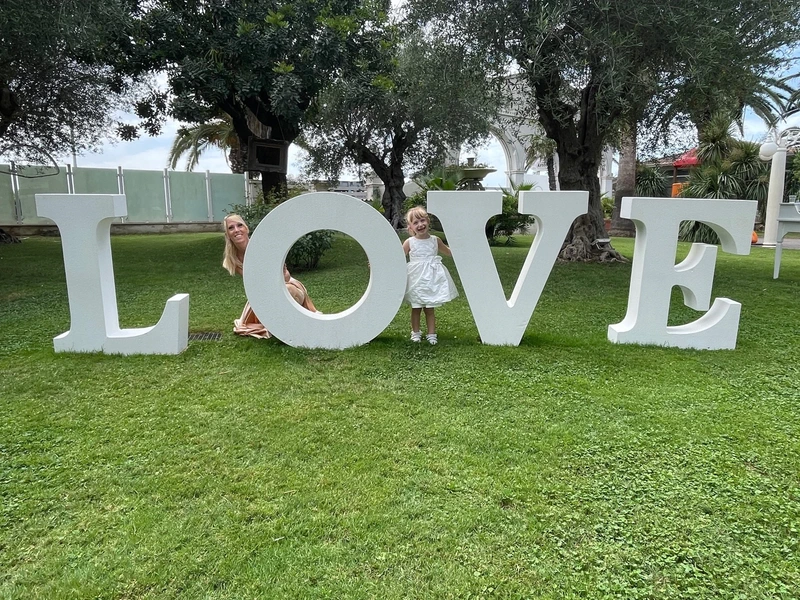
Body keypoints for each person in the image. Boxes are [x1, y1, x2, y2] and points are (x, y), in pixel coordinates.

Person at [222, 214, 318, 339]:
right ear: (227, 234)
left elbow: (286, 278)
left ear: (246, 229)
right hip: (263, 294)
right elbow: (254, 285)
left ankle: (289, 326)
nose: (236, 230)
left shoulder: (263, 248)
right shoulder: (232, 260)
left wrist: (281, 272)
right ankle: (282, 325)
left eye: (240, 225)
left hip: (286, 286)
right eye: (231, 228)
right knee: (262, 315)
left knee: (288, 290)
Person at [402, 206, 459, 345]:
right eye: (415, 222)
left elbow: (448, 252)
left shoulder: (435, 240)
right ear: (410, 227)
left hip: (431, 279)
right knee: (416, 308)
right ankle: (415, 332)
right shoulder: (410, 242)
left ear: (428, 221)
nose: (420, 225)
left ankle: (431, 334)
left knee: (429, 308)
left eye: (422, 220)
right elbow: (397, 257)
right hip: (415, 279)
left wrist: (463, 250)